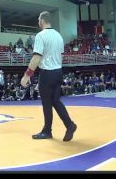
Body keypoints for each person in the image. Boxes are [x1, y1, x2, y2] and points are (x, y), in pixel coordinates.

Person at [21, 11, 77, 142]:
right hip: (58, 72)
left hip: (47, 73)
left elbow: (36, 57)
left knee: (47, 103)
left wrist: (26, 75)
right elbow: (61, 56)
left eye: (38, 20)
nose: (38, 22)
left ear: (42, 20)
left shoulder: (40, 36)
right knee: (55, 101)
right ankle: (70, 125)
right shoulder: (59, 36)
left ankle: (47, 131)